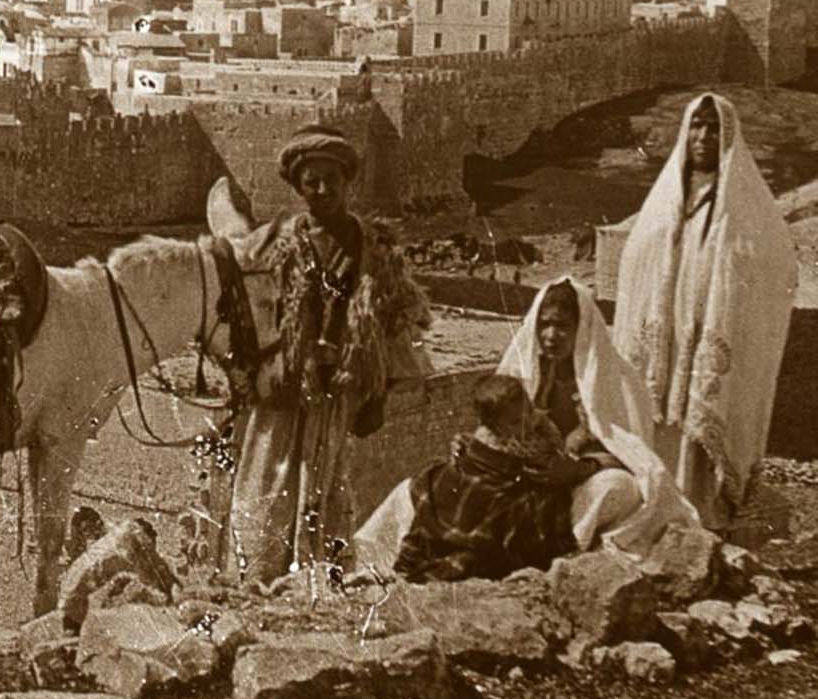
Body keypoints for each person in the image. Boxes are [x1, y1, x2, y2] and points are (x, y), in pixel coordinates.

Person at [355, 277, 695, 576]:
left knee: (619, 488)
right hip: (513, 480)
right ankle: (374, 564)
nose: (551, 336)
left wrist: (580, 469)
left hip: (572, 487)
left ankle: (568, 551)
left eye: (562, 326)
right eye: (544, 325)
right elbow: (493, 426)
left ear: (583, 328)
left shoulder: (615, 379)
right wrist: (468, 444)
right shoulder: (522, 370)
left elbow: (633, 455)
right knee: (418, 488)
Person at [222, 124, 431, 586]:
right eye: (310, 181)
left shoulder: (374, 250)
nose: (321, 190)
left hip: (338, 398)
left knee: (328, 492)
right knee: (266, 489)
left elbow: (399, 322)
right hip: (282, 397)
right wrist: (264, 371)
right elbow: (249, 324)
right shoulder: (275, 248)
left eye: (330, 179)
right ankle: (255, 582)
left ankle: (319, 586)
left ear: (346, 180)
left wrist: (378, 392)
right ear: (298, 187)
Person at [613, 93, 797, 531]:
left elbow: (775, 263)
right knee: (656, 434)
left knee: (697, 439)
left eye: (713, 128)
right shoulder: (666, 199)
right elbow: (637, 258)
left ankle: (703, 520)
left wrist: (728, 275)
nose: (703, 136)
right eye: (696, 126)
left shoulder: (742, 204)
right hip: (664, 341)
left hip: (709, 334)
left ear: (728, 137)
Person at [392, 373, 594, 583]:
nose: (526, 424)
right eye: (516, 421)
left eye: (528, 413)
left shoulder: (535, 432)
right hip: (486, 496)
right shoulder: (500, 446)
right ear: (493, 425)